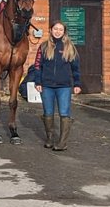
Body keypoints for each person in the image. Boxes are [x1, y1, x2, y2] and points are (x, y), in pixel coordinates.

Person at [27, 20, 82, 151]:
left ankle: (62, 142)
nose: (58, 31)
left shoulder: (70, 47)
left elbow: (76, 68)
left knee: (64, 112)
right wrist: (38, 82)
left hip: (64, 86)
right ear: (51, 30)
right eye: (55, 29)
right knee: (48, 112)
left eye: (60, 29)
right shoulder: (44, 46)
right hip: (46, 86)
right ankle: (50, 138)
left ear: (64, 32)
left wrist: (77, 83)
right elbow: (37, 66)